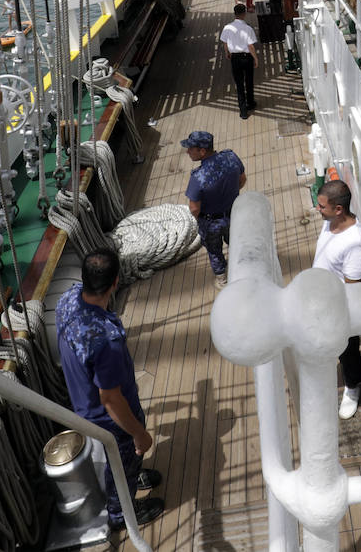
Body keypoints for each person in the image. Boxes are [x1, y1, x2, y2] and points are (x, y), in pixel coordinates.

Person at [55, 251, 165, 529]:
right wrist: (139, 435)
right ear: (115, 282)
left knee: (123, 459)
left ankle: (130, 476)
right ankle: (121, 513)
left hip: (84, 403)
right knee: (124, 455)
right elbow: (111, 400)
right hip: (109, 419)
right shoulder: (107, 342)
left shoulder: (67, 300)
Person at [313, 179, 361, 419]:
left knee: (347, 349)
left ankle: (352, 387)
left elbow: (353, 291)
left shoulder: (355, 244)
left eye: (322, 207)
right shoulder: (331, 221)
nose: (318, 209)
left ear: (338, 209)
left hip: (338, 307)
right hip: (321, 298)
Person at [182, 130, 246, 287]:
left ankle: (222, 279)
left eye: (191, 148)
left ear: (202, 151)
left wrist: (199, 220)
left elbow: (194, 208)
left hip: (211, 223)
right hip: (233, 214)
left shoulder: (198, 177)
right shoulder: (231, 157)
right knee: (236, 243)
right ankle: (242, 270)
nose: (188, 151)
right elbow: (242, 179)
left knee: (214, 251)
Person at [220, 4, 258, 118]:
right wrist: (255, 58)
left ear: (234, 14)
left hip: (235, 58)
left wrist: (227, 53)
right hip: (247, 57)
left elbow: (225, 42)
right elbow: (250, 46)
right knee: (249, 81)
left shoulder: (227, 28)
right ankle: (250, 103)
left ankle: (243, 112)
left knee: (239, 84)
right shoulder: (248, 28)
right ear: (244, 14)